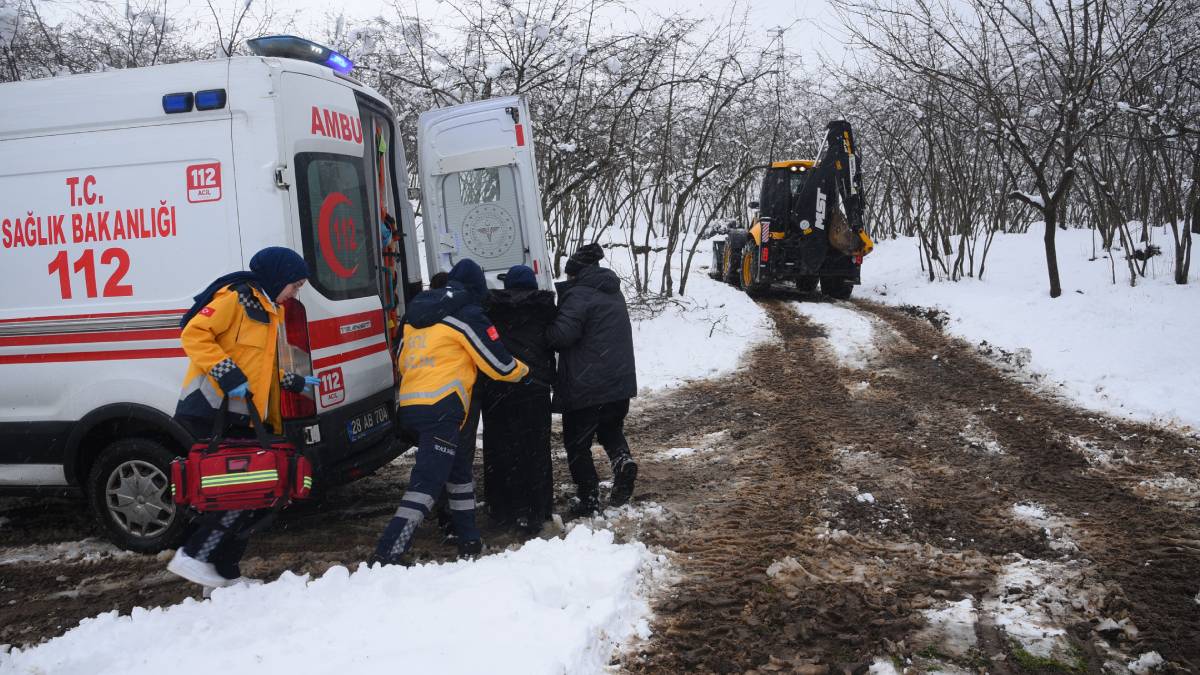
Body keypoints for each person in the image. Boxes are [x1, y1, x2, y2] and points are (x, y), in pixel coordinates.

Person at [167, 246, 316, 592]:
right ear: (278, 278)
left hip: (242, 416)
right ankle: (193, 556)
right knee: (241, 494)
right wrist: (227, 373)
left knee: (253, 491)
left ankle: (223, 575)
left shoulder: (268, 308)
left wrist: (290, 381)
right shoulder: (235, 299)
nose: (295, 293)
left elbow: (257, 367)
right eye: (294, 285)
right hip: (210, 412)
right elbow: (193, 332)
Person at [373, 259, 529, 564]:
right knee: (427, 483)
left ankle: (470, 540)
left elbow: (400, 356)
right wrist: (524, 372)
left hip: (412, 405)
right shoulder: (466, 315)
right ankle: (388, 552)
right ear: (477, 289)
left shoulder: (416, 314)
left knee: (458, 473)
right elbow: (498, 365)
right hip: (441, 407)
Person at [546, 243, 638, 516]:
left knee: (577, 444)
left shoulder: (579, 296)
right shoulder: (612, 292)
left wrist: (542, 328)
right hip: (618, 382)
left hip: (587, 386)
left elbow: (561, 336)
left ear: (574, 274)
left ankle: (588, 497)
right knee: (610, 430)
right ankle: (623, 461)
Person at [479, 264, 557, 533]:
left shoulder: (490, 310)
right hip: (534, 389)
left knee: (499, 451)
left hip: (497, 389)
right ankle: (537, 511)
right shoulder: (545, 310)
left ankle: (502, 511)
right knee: (535, 452)